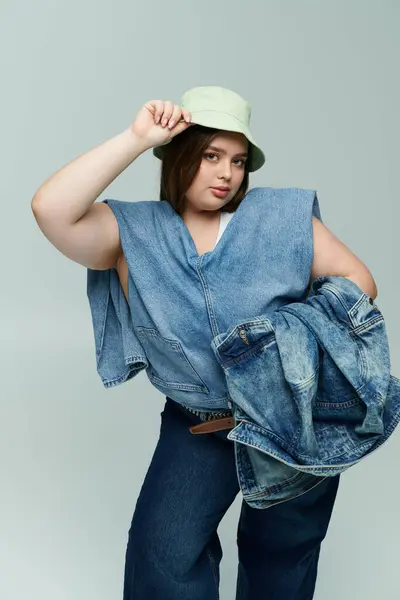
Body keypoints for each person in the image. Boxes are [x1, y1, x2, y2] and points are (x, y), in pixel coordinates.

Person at [31, 85, 377, 600]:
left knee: (283, 558)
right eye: (211, 155)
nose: (226, 174)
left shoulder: (281, 216)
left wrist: (280, 343)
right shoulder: (132, 231)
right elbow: (49, 209)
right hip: (198, 422)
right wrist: (136, 137)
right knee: (163, 559)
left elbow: (358, 284)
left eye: (237, 161)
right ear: (178, 155)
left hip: (291, 417)